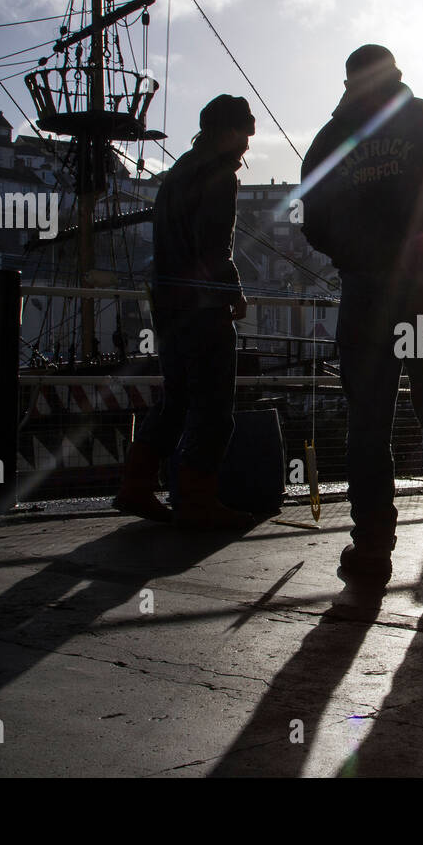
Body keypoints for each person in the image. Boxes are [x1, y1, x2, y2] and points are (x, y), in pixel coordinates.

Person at [300, 45, 423, 582]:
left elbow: (310, 220)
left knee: (367, 426)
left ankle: (370, 552)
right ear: (397, 76)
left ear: (349, 83)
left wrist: (354, 252)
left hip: (366, 298)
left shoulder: (328, 140)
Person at [113, 94, 255, 528]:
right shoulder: (218, 176)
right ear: (229, 132)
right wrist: (233, 293)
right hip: (202, 304)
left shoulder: (174, 175)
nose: (247, 146)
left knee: (175, 400)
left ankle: (135, 485)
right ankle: (198, 499)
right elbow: (215, 247)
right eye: (245, 135)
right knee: (214, 407)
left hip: (168, 301)